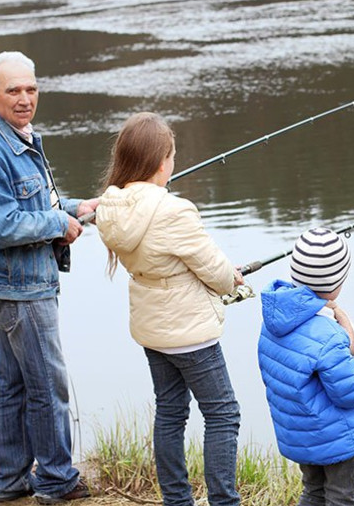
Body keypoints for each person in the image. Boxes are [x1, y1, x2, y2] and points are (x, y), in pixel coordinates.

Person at [0, 51, 97, 504]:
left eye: (31, 89)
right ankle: (55, 479)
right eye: (13, 90)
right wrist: (58, 225)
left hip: (11, 281)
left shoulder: (17, 135)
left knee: (12, 381)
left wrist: (75, 209)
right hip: (15, 286)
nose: (24, 98)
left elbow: (33, 201)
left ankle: (10, 480)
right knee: (46, 384)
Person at [95, 112, 244, 506]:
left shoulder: (111, 206)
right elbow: (215, 270)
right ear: (163, 160)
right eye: (173, 154)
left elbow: (167, 260)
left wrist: (223, 273)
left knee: (171, 411)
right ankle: (224, 501)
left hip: (152, 326)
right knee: (223, 413)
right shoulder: (174, 211)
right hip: (189, 331)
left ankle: (177, 501)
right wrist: (234, 278)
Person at [257, 227, 354, 506]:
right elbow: (349, 393)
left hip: (299, 432)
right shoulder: (328, 335)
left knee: (313, 492)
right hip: (336, 435)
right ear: (338, 282)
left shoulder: (273, 324)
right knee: (340, 497)